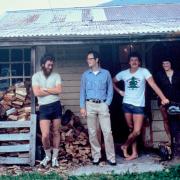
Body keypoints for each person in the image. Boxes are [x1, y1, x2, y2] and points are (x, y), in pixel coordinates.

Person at [113, 52, 169, 160]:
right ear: (129, 62)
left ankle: (125, 146)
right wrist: (119, 91)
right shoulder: (124, 73)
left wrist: (162, 98)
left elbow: (153, 85)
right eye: (132, 60)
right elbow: (112, 81)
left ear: (139, 62)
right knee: (131, 129)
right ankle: (134, 153)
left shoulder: (144, 72)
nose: (134, 62)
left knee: (137, 131)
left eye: (136, 60)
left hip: (138, 105)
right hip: (127, 104)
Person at [80, 51, 116, 165]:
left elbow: (110, 90)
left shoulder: (106, 73)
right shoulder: (85, 75)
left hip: (102, 105)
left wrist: (107, 103)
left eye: (90, 59)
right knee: (93, 132)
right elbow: (82, 92)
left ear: (97, 60)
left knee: (107, 131)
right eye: (87, 59)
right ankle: (97, 156)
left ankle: (111, 157)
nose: (88, 61)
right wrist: (82, 107)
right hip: (89, 104)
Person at [32, 54, 62, 167]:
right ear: (42, 65)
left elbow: (59, 90)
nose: (51, 67)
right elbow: (37, 93)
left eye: (52, 65)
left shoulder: (56, 76)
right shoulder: (36, 76)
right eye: (49, 65)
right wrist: (52, 91)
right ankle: (48, 155)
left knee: (55, 132)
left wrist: (45, 89)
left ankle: (55, 158)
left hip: (56, 106)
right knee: (45, 135)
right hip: (44, 107)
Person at [155, 59, 180, 146]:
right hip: (164, 101)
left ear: (171, 64)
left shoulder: (178, 73)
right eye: (163, 63)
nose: (165, 65)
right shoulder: (159, 75)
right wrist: (160, 97)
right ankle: (170, 140)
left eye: (167, 63)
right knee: (166, 120)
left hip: (177, 101)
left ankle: (178, 141)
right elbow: (155, 87)